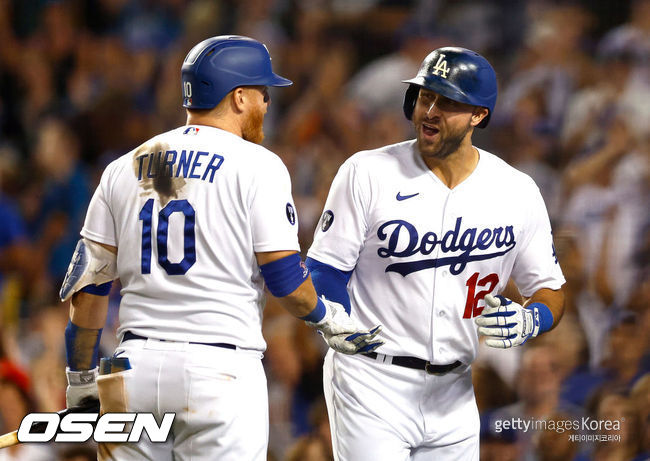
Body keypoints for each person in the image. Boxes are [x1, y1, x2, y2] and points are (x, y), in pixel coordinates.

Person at [59, 35, 382, 461]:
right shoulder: (257, 165)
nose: (267, 102)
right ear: (238, 96)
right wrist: (327, 318)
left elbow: (90, 288)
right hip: (219, 371)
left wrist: (80, 377)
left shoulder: (125, 166)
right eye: (262, 92)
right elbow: (285, 279)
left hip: (132, 367)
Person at [306, 46, 566, 460]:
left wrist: (532, 318)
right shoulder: (367, 171)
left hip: (456, 391)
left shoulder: (517, 190)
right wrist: (335, 320)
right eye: (426, 96)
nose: (430, 110)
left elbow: (551, 289)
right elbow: (325, 268)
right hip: (372, 378)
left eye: (447, 102)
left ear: (479, 115)